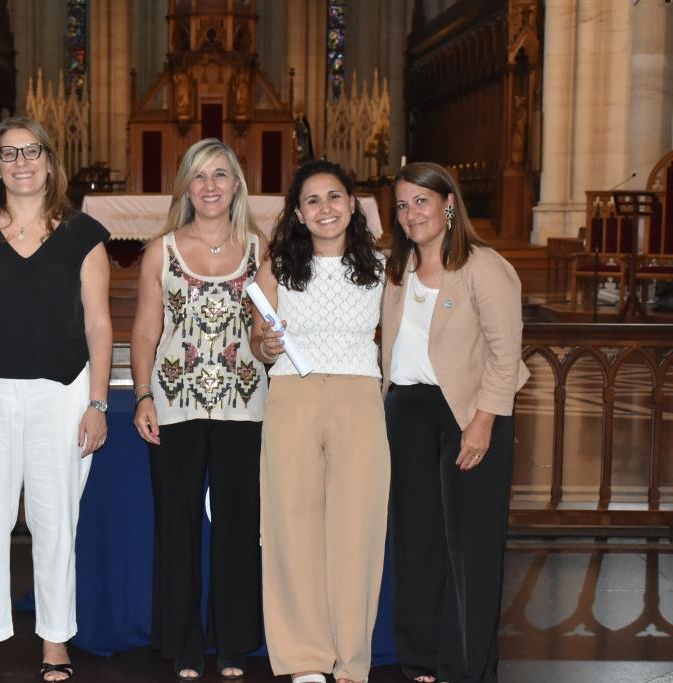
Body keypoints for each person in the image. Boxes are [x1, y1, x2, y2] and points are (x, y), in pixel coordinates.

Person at [0, 116, 111, 683]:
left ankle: (55, 641)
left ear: (50, 161)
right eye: (9, 154)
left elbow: (100, 325)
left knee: (55, 520)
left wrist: (98, 403)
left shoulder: (83, 234)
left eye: (31, 152)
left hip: (61, 394)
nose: (21, 163)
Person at [382, 162, 529, 683]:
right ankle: (422, 658)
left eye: (421, 201)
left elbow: (505, 354)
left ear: (448, 204)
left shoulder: (483, 266)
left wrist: (484, 420)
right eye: (401, 205)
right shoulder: (395, 270)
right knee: (416, 542)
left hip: (470, 411)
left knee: (470, 548)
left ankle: (466, 667)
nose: (410, 213)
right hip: (408, 412)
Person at [130, 138, 267, 682]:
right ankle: (183, 643)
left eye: (221, 175)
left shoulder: (261, 250)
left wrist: (269, 345)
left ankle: (233, 642)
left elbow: (264, 331)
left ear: (236, 184)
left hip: (244, 403)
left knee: (238, 527)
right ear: (186, 186)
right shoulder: (160, 250)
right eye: (199, 176)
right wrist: (142, 395)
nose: (211, 186)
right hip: (174, 402)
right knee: (177, 526)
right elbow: (145, 329)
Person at [251, 160, 389, 683]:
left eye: (335, 197)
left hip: (359, 397)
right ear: (298, 213)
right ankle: (306, 659)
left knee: (358, 529)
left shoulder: (382, 267)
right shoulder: (279, 266)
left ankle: (351, 660)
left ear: (353, 205)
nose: (325, 208)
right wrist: (263, 344)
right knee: (291, 525)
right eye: (313, 200)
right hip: (292, 396)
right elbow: (258, 340)